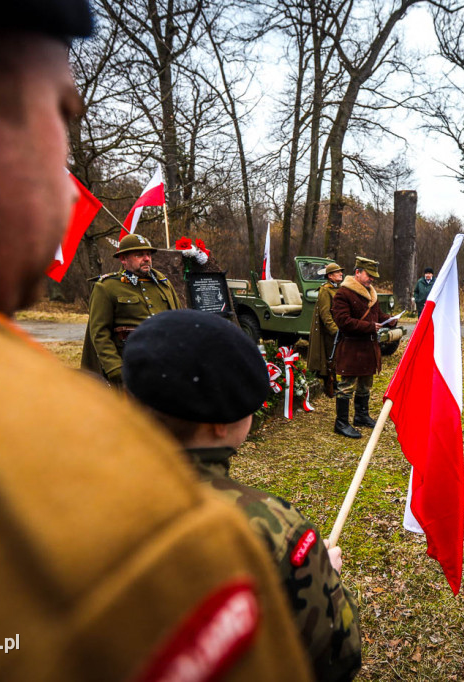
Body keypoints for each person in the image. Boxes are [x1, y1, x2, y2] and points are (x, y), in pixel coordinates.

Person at [0, 3, 312, 680]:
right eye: (61, 117)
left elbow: (176, 317)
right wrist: (128, 386)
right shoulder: (126, 525)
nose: (68, 190)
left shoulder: (158, 283)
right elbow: (101, 338)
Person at [123, 310, 363, 682]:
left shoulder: (67, 494)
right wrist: (325, 580)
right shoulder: (274, 528)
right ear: (222, 424)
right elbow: (338, 655)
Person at [81, 233, 180, 388]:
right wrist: (116, 369)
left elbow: (178, 322)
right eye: (139, 255)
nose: (146, 258)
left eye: (148, 254)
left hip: (163, 364)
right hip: (129, 365)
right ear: (123, 259)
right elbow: (100, 333)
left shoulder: (163, 284)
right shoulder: (107, 287)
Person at [332, 257, 396, 438]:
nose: (372, 280)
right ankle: (341, 423)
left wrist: (389, 319)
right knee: (346, 386)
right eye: (369, 275)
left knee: (365, 385)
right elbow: (343, 321)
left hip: (369, 347)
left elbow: (377, 315)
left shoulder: (370, 292)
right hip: (352, 347)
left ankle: (361, 416)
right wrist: (369, 327)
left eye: (374, 277)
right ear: (357, 272)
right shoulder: (343, 294)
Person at [308, 261, 344, 398]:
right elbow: (325, 313)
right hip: (328, 331)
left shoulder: (337, 288)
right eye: (337, 272)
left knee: (335, 356)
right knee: (329, 356)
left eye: (340, 271)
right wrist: (335, 330)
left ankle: (334, 381)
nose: (341, 274)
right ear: (330, 276)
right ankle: (328, 383)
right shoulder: (325, 290)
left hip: (336, 328)